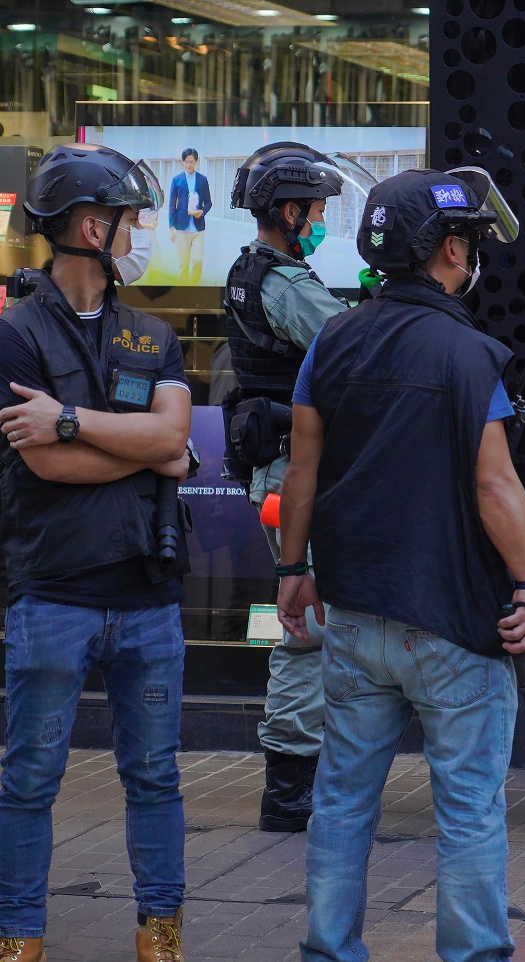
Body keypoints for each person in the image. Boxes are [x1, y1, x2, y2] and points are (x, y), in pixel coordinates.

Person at [276, 167, 525, 962]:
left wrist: (293, 568)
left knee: (343, 800)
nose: (474, 257)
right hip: (457, 619)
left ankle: (330, 949)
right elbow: (496, 485)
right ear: (449, 249)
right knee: (467, 807)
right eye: (471, 244)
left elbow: (303, 468)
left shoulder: (332, 339)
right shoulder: (470, 354)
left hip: (355, 612)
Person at [0, 144, 193, 962]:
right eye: (129, 219)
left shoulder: (152, 335)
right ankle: (20, 940)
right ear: (91, 226)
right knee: (28, 781)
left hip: (149, 598)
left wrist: (73, 421)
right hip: (50, 595)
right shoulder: (14, 336)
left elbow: (179, 438)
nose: (138, 231)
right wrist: (145, 447)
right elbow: (41, 461)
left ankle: (162, 934)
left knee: (155, 778)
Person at [223, 142, 350, 834]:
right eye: (319, 210)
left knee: (316, 622)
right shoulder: (285, 284)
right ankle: (292, 790)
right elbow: (349, 350)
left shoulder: (254, 271)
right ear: (290, 211)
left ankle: (307, 774)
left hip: (281, 473)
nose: (323, 220)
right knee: (306, 631)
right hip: (293, 476)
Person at [168, 148, 212, 284]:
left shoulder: (203, 180)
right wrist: (171, 227)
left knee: (198, 260)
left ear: (196, 162)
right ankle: (183, 291)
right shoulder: (176, 180)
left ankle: (194, 286)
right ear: (183, 162)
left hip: (198, 228)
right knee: (183, 265)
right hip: (182, 228)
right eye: (186, 162)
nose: (188, 165)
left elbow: (209, 203)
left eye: (191, 162)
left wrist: (202, 211)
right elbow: (171, 205)